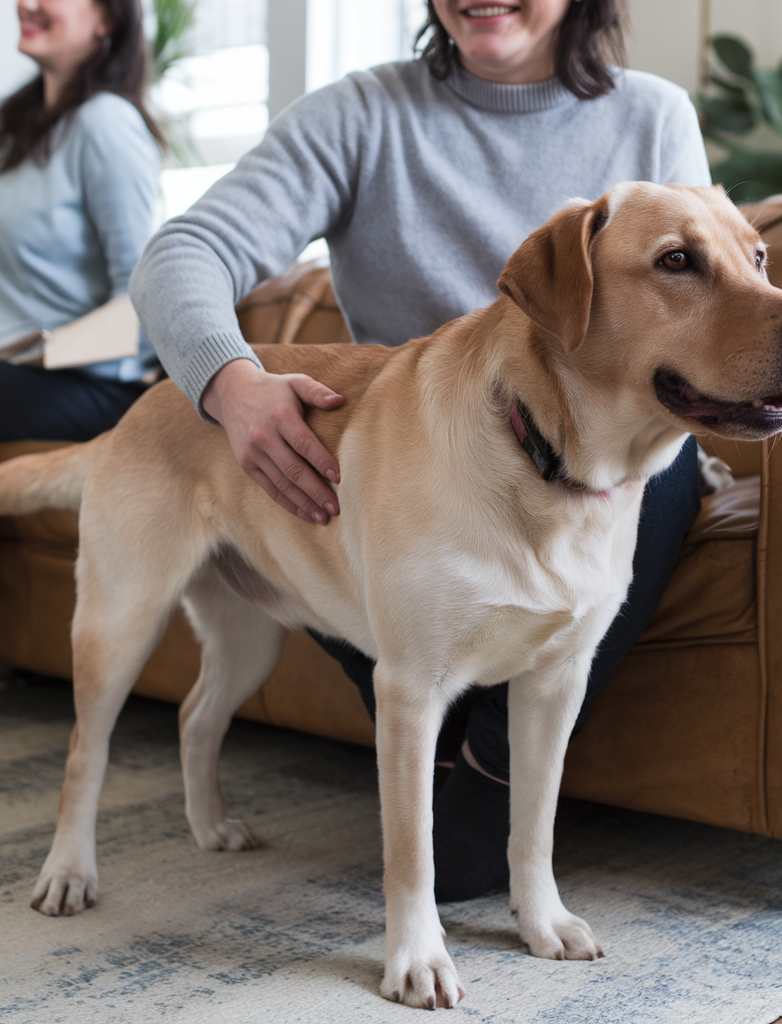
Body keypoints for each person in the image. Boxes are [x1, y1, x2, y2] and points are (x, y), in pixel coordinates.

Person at [130, 0, 708, 901]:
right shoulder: (359, 115)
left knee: (657, 460)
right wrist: (229, 386)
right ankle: (435, 722)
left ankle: (491, 768)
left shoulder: (651, 117)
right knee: (379, 499)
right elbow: (184, 250)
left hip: (593, 471)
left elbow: (698, 331)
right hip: (417, 482)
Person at [0, 0, 162, 446]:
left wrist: (38, 353)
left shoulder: (106, 125)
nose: (28, 4)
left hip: (88, 381)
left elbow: (145, 297)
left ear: (106, 19)